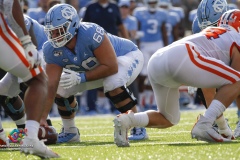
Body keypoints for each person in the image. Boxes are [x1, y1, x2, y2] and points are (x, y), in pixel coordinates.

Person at [113, 8, 240, 147]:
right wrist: (219, 126)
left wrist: (223, 128)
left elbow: (210, 89)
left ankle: (127, 120)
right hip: (183, 56)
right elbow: (235, 83)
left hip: (158, 59)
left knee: (168, 118)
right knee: (238, 80)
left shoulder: (214, 35)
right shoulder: (235, 38)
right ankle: (204, 125)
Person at [40, 4, 144, 144]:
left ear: (72, 25)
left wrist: (81, 77)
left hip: (125, 56)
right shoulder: (50, 49)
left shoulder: (90, 32)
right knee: (60, 87)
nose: (54, 36)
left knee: (112, 82)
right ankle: (70, 131)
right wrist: (41, 120)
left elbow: (111, 66)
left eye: (59, 31)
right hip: (93, 70)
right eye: (51, 32)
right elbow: (51, 86)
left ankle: (138, 125)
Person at [0, 0, 59, 158]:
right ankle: (30, 135)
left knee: (11, 89)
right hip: (15, 40)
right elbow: (10, 6)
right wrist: (27, 43)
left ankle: (30, 128)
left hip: (41, 53)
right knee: (37, 80)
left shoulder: (29, 23)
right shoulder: (17, 19)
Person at [191, 0, 236, 139]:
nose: (210, 30)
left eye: (214, 26)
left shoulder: (235, 19)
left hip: (233, 54)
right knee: (202, 81)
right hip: (216, 55)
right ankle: (215, 120)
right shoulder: (197, 26)